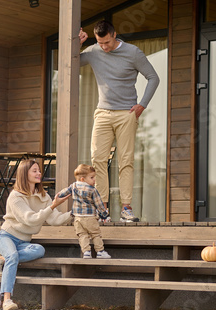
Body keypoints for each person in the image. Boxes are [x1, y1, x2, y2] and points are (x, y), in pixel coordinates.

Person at [78, 20, 160, 222]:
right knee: (98, 160)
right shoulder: (94, 51)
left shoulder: (133, 53)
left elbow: (153, 78)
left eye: (106, 42)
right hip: (103, 113)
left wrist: (142, 104)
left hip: (126, 113)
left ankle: (126, 208)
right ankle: (102, 209)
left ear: (114, 35)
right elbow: (70, 62)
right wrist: (76, 44)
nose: (104, 47)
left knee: (125, 161)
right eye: (100, 42)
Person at [0, 159, 72, 310]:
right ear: (23, 173)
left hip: (24, 241)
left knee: (39, 250)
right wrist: (53, 205)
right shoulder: (16, 196)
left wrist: (75, 214)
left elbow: (54, 219)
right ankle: (6, 300)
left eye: (39, 170)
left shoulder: (43, 196)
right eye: (34, 170)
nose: (39, 173)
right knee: (12, 256)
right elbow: (30, 218)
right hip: (7, 236)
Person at [57, 164, 111, 259]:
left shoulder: (73, 186)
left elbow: (64, 192)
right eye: (92, 177)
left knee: (82, 235)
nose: (94, 180)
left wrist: (58, 195)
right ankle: (100, 251)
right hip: (90, 217)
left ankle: (86, 252)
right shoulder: (92, 190)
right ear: (82, 179)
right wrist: (104, 215)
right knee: (95, 234)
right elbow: (99, 204)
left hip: (77, 218)